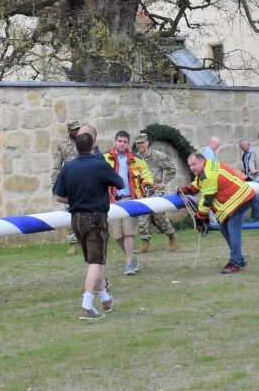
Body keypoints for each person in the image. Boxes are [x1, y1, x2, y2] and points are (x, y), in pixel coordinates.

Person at [53, 132, 123, 320]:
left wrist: (77, 199)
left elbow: (58, 196)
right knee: (96, 262)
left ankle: (105, 298)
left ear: (76, 148)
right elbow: (120, 183)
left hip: (76, 219)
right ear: (93, 146)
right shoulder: (100, 165)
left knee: (95, 259)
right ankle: (87, 306)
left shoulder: (68, 167)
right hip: (95, 219)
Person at [178, 152, 255, 274]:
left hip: (239, 200)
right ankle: (239, 258)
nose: (192, 167)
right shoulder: (207, 166)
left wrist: (199, 220)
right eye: (190, 165)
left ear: (201, 161)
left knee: (233, 233)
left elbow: (207, 200)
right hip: (237, 198)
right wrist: (188, 189)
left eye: (194, 164)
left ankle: (235, 263)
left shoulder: (207, 174)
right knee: (224, 229)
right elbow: (200, 182)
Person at [104, 131, 153, 275]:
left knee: (129, 232)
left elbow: (147, 175)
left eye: (125, 142)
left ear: (128, 143)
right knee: (117, 235)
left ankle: (129, 265)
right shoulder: (104, 159)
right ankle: (131, 258)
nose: (122, 144)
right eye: (119, 141)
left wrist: (148, 185)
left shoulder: (137, 160)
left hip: (130, 199)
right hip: (111, 200)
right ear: (115, 141)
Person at [132, 133, 177, 253]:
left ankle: (171, 236)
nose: (140, 145)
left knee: (159, 218)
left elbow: (171, 169)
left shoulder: (158, 155)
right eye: (138, 143)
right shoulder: (135, 158)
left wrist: (163, 182)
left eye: (142, 143)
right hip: (141, 192)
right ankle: (145, 244)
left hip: (156, 191)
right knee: (142, 218)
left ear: (147, 143)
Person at [52, 121, 83, 256]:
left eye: (78, 129)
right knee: (70, 212)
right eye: (74, 130)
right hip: (70, 184)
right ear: (69, 131)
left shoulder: (85, 141)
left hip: (85, 182)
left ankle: (85, 240)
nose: (77, 132)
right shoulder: (63, 145)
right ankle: (72, 242)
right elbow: (57, 166)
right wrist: (56, 185)